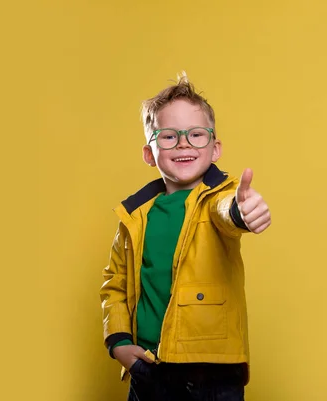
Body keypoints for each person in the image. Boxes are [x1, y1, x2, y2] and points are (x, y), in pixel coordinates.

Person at [100, 71, 271, 401]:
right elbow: (114, 283)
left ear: (215, 148)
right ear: (150, 154)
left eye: (196, 135)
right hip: (149, 367)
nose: (183, 144)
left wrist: (243, 211)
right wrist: (119, 342)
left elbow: (227, 213)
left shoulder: (221, 197)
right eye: (168, 136)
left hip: (211, 371)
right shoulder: (134, 216)